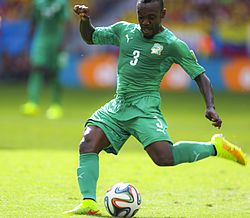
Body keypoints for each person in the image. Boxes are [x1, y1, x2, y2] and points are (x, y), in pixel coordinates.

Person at [64, 0, 247, 215]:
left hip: (145, 110)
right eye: (141, 17)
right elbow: (90, 36)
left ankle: (216, 148)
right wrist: (85, 20)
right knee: (88, 143)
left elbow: (201, 76)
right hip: (119, 105)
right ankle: (89, 203)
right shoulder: (124, 30)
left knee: (164, 158)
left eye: (151, 17)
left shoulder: (171, 44)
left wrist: (210, 106)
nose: (145, 22)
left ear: (163, 14)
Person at [20, 0, 70, 120]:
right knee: (36, 68)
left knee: (54, 72)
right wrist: (27, 44)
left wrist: (63, 42)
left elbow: (66, 24)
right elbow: (33, 22)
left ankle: (56, 105)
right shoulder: (38, 3)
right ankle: (32, 103)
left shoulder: (61, 3)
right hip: (41, 40)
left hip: (56, 40)